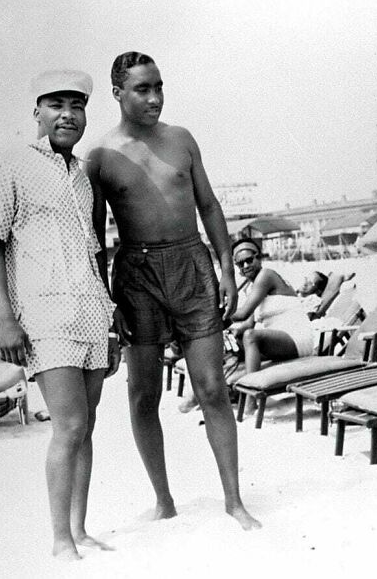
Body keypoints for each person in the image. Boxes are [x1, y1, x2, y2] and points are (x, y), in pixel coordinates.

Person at [86, 52, 260, 530]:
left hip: (191, 262)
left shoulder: (181, 140)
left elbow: (209, 205)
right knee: (144, 394)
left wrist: (226, 269)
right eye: (142, 89)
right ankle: (164, 501)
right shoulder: (101, 157)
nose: (155, 98)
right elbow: (94, 238)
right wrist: (106, 303)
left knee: (212, 387)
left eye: (159, 86)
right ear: (118, 93)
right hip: (136, 275)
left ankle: (234, 501)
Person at [0, 69, 120, 560]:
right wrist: (6, 320)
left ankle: (79, 529)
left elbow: (93, 252)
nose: (67, 115)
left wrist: (112, 315)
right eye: (56, 105)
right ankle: (59, 539)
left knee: (87, 425)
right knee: (70, 425)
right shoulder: (11, 163)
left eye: (76, 106)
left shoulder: (81, 175)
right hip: (44, 316)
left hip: (92, 312)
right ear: (37, 111)